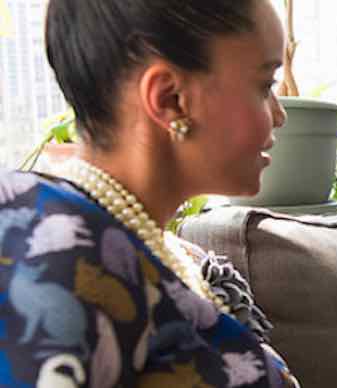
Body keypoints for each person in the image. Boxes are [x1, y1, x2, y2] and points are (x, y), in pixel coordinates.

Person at [0, 0, 300, 386]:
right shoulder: (55, 254)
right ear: (170, 98)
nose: (280, 115)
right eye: (265, 85)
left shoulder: (172, 257)